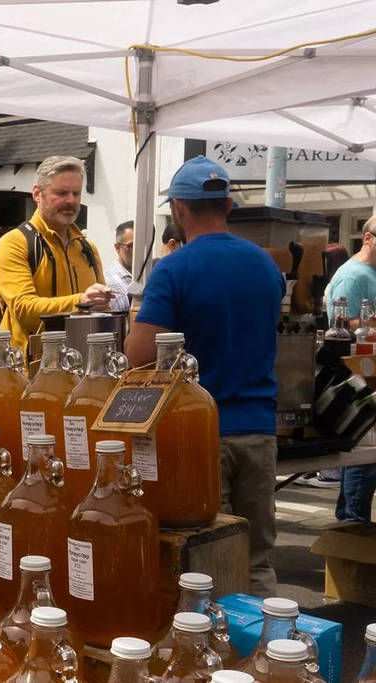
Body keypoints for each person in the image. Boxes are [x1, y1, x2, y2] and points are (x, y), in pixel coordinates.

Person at [125, 155, 285, 597]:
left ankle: (211, 659)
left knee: (207, 560)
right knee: (255, 560)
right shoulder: (266, 265)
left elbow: (139, 355)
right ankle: (270, 654)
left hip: (200, 436)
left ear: (178, 210)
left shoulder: (174, 269)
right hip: (258, 429)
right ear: (229, 206)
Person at [0, 155, 110, 357]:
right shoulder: (14, 243)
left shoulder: (87, 247)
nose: (71, 200)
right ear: (37, 193)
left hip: (84, 370)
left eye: (76, 193)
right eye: (61, 193)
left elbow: (102, 312)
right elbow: (25, 311)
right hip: (32, 376)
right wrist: (81, 302)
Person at [321, 214, 376, 520]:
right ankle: (353, 523)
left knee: (367, 455)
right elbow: (339, 322)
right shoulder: (354, 275)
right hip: (360, 375)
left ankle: (352, 523)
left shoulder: (368, 272)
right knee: (363, 454)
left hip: (369, 372)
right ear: (367, 238)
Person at [105, 220, 134, 312]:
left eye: (142, 245)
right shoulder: (107, 282)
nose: (139, 250)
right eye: (132, 246)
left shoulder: (150, 276)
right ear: (117, 248)